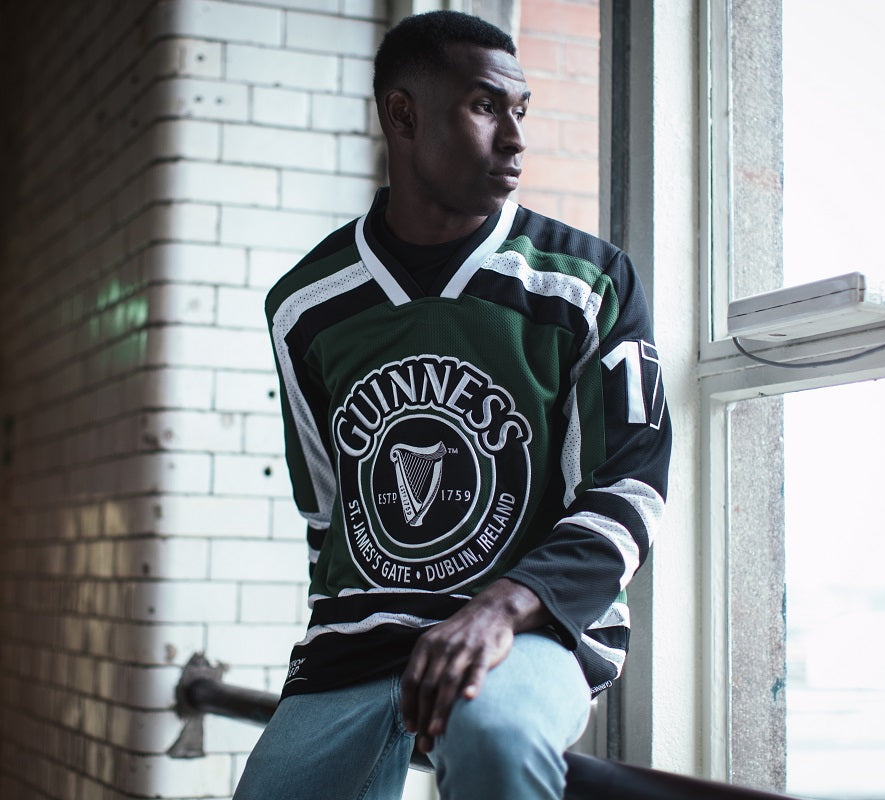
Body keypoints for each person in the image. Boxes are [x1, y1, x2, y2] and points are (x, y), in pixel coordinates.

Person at [234, 10, 671, 800]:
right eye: (484, 106)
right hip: (359, 648)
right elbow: (329, 515)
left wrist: (500, 606)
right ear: (402, 115)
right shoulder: (306, 304)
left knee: (495, 737)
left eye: (522, 111)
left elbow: (631, 486)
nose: (514, 136)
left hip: (529, 630)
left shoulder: (585, 282)